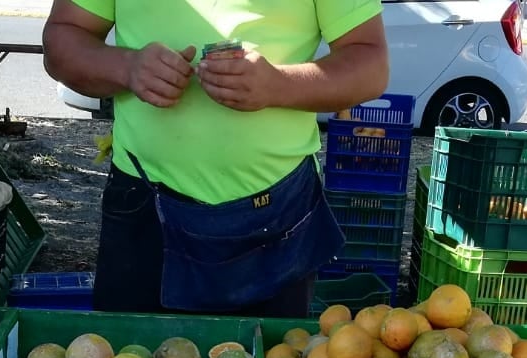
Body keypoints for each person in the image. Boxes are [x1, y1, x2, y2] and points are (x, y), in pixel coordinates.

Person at [44, 0, 389, 316]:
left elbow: (371, 63)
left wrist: (278, 85)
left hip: (277, 217)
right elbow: (62, 41)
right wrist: (127, 67)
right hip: (144, 205)